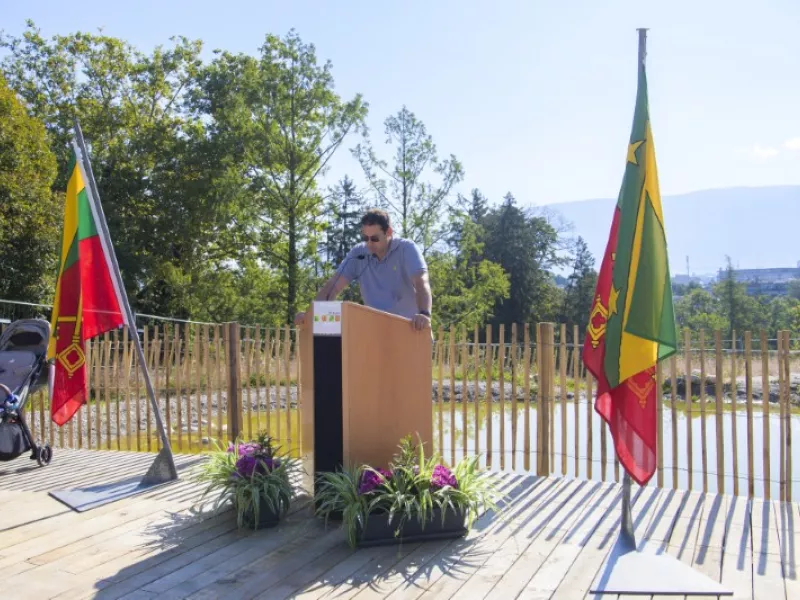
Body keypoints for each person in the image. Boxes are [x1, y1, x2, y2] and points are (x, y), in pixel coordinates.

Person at [295, 209, 432, 331]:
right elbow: (333, 286)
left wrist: (424, 314)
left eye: (375, 238)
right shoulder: (358, 254)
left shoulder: (406, 249)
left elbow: (421, 281)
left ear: (389, 232)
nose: (369, 243)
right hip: (376, 337)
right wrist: (311, 314)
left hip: (411, 332)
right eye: (365, 238)